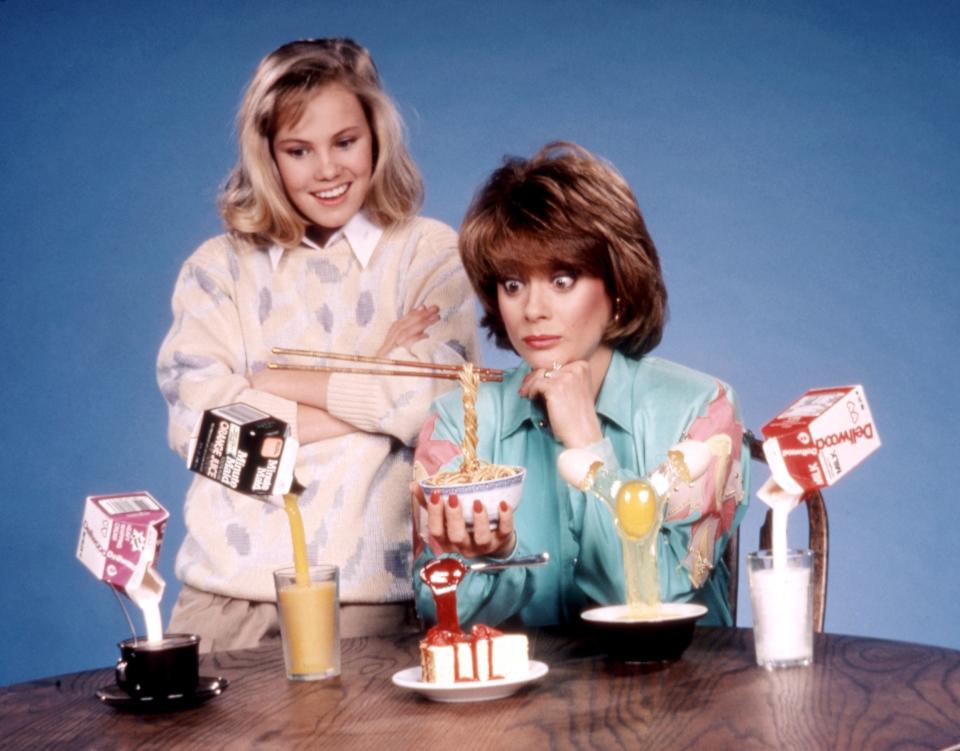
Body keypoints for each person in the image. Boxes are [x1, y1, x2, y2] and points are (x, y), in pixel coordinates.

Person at [157, 38, 478, 652]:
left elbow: (437, 405)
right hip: (224, 593)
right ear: (267, 156)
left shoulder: (429, 253)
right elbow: (204, 434)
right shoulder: (216, 270)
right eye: (298, 150)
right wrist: (377, 379)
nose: (326, 170)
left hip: (371, 593)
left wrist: (267, 385)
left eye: (345, 142)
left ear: (377, 138)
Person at [412, 142, 748, 628]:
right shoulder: (454, 425)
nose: (532, 310)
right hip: (518, 698)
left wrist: (589, 447)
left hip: (675, 692)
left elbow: (655, 601)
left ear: (617, 285)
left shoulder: (703, 413)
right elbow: (439, 612)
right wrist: (498, 556)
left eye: (563, 280)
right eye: (512, 284)